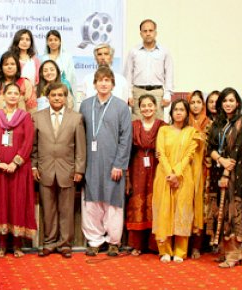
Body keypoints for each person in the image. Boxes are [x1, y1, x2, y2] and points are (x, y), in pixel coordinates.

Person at [0, 83, 36, 258]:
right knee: (1, 204)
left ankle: (17, 245)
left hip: (19, 169)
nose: (12, 96)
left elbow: (28, 142)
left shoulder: (25, 117)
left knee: (17, 203)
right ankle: (2, 244)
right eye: (9, 93)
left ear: (20, 97)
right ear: (3, 96)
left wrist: (15, 163)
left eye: (15, 93)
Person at [80, 66, 132, 257]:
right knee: (92, 203)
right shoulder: (85, 105)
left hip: (113, 163)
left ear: (113, 84)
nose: (103, 83)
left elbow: (126, 137)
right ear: (94, 84)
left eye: (107, 80)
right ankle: (94, 240)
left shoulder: (121, 106)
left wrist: (120, 164)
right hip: (91, 162)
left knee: (113, 203)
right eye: (100, 80)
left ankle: (113, 241)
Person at [32, 82, 86, 258]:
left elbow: (80, 147)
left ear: (65, 97)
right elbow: (33, 146)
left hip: (68, 170)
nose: (57, 98)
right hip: (44, 169)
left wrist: (79, 169)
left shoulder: (76, 118)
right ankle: (49, 242)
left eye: (60, 95)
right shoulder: (37, 117)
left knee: (66, 209)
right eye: (53, 95)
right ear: (48, 97)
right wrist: (34, 166)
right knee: (48, 209)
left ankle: (65, 244)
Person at [206, 87, 242, 268]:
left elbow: (238, 148)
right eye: (225, 101)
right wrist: (220, 159)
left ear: (237, 103)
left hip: (236, 173)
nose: (228, 104)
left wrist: (228, 170)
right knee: (220, 210)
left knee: (233, 209)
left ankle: (235, 254)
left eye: (231, 100)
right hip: (218, 170)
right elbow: (209, 148)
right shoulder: (217, 124)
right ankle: (225, 250)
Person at [152, 99, 197, 263]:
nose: (178, 112)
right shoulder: (163, 130)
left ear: (186, 113)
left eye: (182, 110)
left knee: (181, 212)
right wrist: (170, 173)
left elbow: (190, 155)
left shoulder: (192, 132)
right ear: (171, 113)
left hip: (184, 177)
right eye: (175, 109)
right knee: (163, 210)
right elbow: (160, 152)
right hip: (164, 175)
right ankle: (164, 250)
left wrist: (177, 173)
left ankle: (180, 251)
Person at [125, 94, 165, 256]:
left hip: (157, 167)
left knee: (155, 202)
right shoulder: (133, 125)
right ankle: (137, 245)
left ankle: (155, 245)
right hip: (137, 165)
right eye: (144, 106)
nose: (147, 108)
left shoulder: (163, 126)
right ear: (138, 108)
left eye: (150, 105)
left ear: (156, 107)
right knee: (138, 202)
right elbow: (127, 148)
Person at [124, 19, 174, 120]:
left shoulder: (164, 52)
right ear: (141, 33)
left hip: (157, 92)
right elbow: (128, 74)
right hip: (138, 92)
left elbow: (169, 73)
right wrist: (128, 94)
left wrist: (168, 94)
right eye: (145, 31)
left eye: (150, 31)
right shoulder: (133, 51)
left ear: (155, 32)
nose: (148, 33)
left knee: (157, 125)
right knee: (137, 125)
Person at [187, 91, 211, 259]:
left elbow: (212, 145)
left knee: (199, 207)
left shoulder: (209, 123)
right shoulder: (182, 122)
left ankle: (197, 246)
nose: (195, 105)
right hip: (185, 170)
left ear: (203, 104)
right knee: (185, 206)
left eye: (198, 102)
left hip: (203, 171)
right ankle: (183, 244)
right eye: (192, 102)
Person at [40, 30, 76, 99]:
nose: (53, 42)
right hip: (46, 92)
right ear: (47, 42)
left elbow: (70, 76)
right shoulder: (43, 58)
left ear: (60, 42)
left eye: (56, 40)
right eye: (50, 40)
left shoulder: (67, 57)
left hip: (63, 91)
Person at [9, 29, 40, 96]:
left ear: (31, 43)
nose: (24, 42)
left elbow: (38, 81)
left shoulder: (35, 60)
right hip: (13, 94)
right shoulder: (10, 58)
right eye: (22, 39)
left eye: (27, 40)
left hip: (31, 95)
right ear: (17, 40)